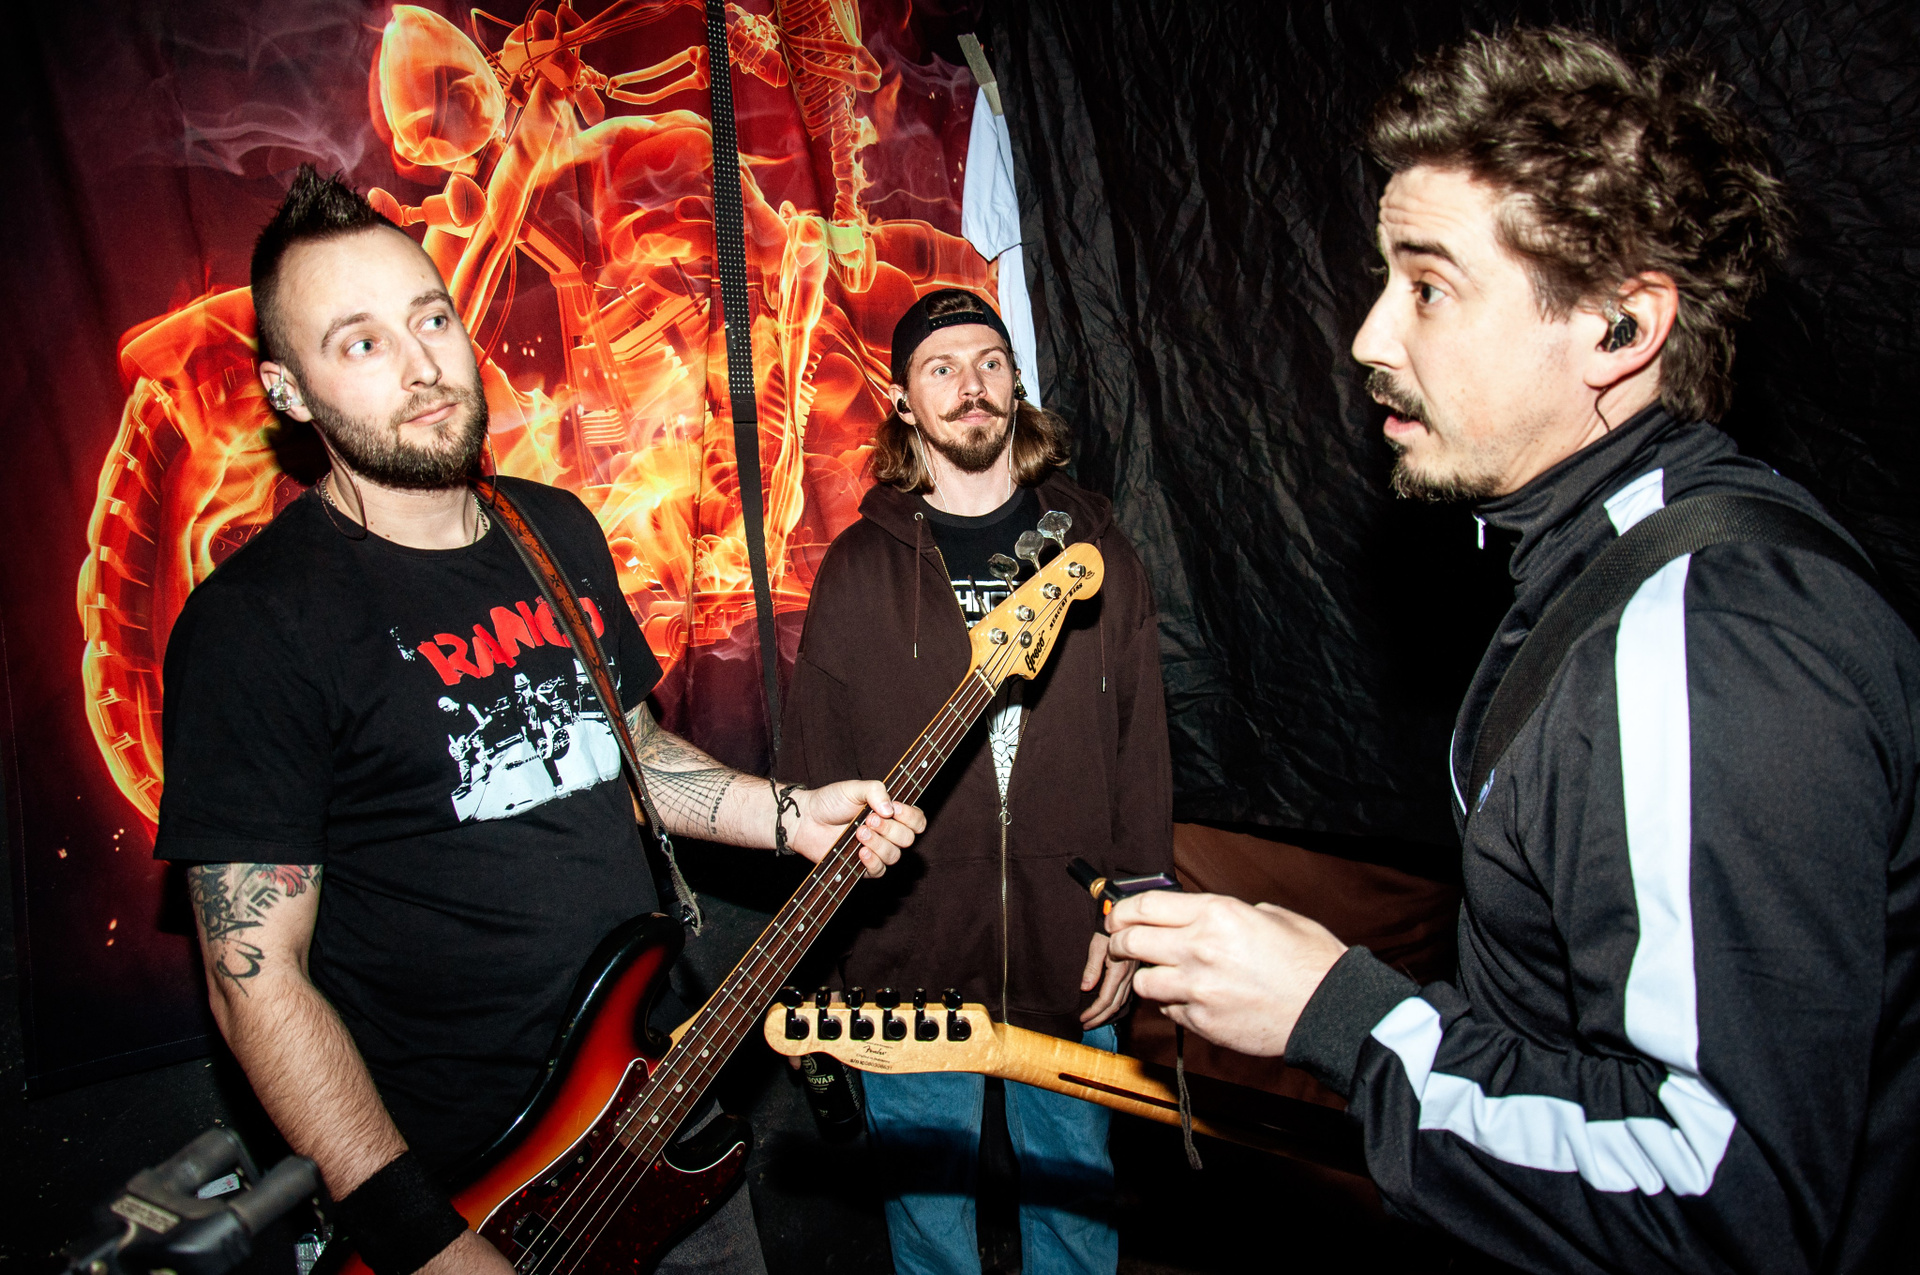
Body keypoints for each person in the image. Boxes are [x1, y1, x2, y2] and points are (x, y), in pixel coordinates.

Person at [1106, 27, 1920, 1274]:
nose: (1370, 336)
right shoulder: (1617, 563)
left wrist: (1340, 1015)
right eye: (1385, 279)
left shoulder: (1709, 640)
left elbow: (1718, 1198)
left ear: (1619, 328)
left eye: (1429, 288)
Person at [154, 167, 926, 1275]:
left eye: (431, 319)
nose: (422, 365)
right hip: (471, 1192)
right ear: (288, 391)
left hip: (656, 1122)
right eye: (361, 342)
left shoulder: (554, 531)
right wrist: (424, 1242)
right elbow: (255, 978)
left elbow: (632, 752)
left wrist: (790, 814)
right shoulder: (256, 623)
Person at [776, 288, 1173, 1274]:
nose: (972, 385)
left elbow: (1142, 749)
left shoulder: (1097, 548)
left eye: (991, 361)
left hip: (1069, 947)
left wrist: (1129, 918)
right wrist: (839, 957)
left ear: (1015, 383)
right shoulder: (857, 568)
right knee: (928, 1228)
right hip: (907, 956)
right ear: (903, 401)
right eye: (942, 368)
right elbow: (816, 771)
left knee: (1076, 1209)